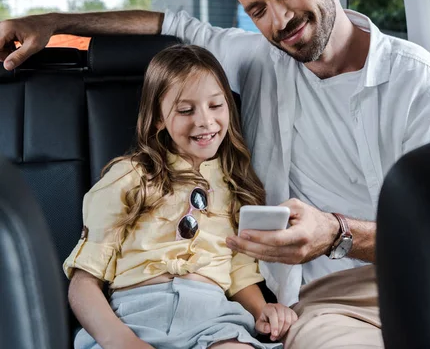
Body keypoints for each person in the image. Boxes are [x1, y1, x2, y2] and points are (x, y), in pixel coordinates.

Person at [0, 0, 430, 347]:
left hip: (420, 281)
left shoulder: (420, 82)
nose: (279, 20)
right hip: (328, 299)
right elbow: (169, 24)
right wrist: (54, 23)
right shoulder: (259, 58)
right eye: (257, 9)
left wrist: (335, 232)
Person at [62, 44, 297, 349]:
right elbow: (83, 283)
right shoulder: (127, 177)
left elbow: (240, 273)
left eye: (216, 105)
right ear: (158, 118)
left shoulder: (237, 186)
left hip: (214, 321)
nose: (205, 121)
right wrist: (120, 340)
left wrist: (261, 308)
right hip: (133, 320)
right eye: (186, 110)